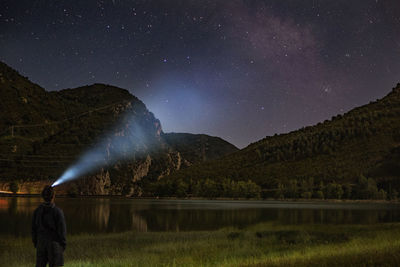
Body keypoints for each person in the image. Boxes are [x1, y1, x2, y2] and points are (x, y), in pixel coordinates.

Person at [32, 185, 66, 267]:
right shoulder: (57, 211)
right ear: (53, 196)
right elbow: (62, 230)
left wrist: (36, 242)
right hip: (54, 244)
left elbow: (33, 229)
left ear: (43, 196)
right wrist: (63, 244)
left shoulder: (37, 211)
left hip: (41, 243)